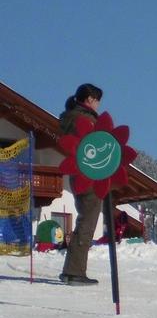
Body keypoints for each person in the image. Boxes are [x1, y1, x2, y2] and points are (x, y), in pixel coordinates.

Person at [59, 83, 104, 285]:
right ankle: (75, 272)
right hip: (88, 175)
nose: (99, 106)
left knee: (83, 221)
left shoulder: (70, 117)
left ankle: (71, 270)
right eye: (97, 101)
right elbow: (96, 148)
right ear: (89, 100)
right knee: (87, 222)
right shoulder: (85, 120)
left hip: (77, 174)